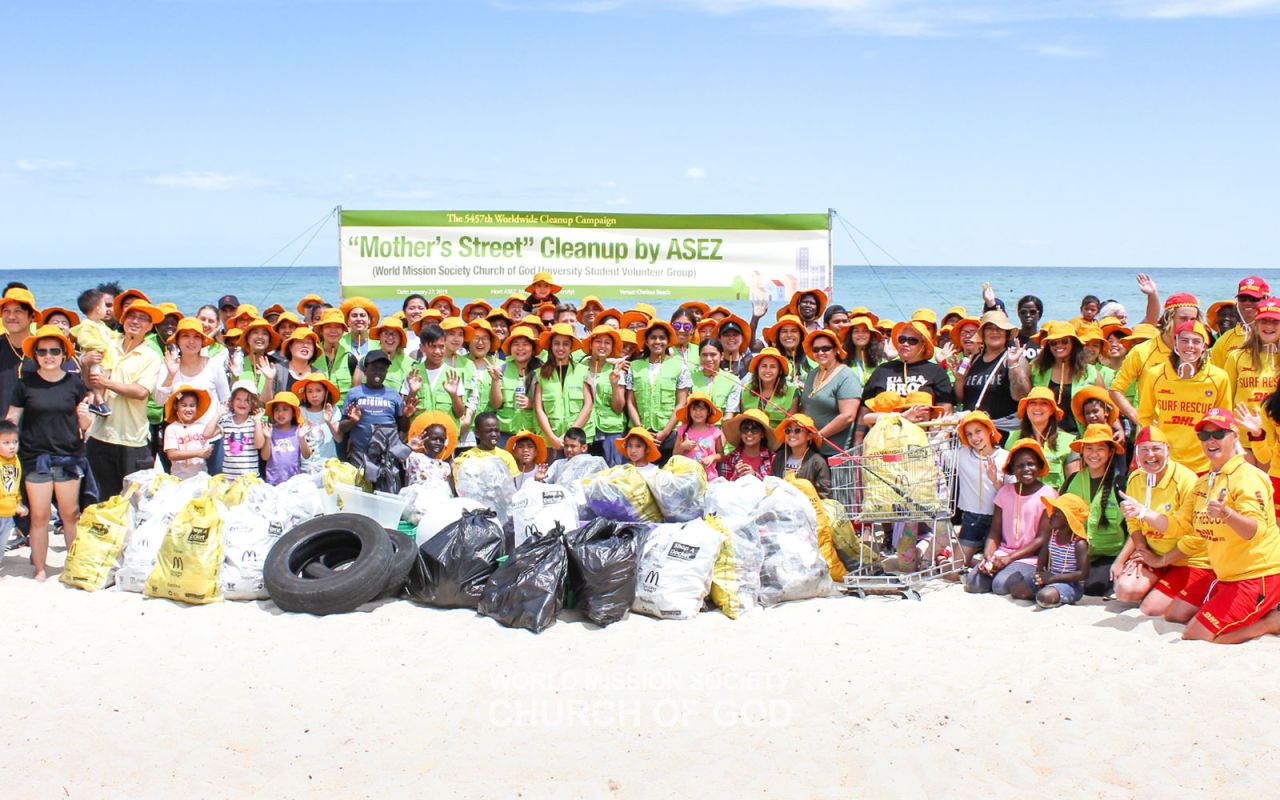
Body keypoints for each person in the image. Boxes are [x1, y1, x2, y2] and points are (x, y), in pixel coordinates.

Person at [1128, 409, 1280, 644]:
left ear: (1235, 437)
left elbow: (1255, 531)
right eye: (1204, 435)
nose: (1211, 440)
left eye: (1219, 434)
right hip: (1227, 575)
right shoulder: (1204, 481)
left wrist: (1227, 514)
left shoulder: (1248, 477)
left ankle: (1270, 622)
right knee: (1174, 617)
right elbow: (1180, 526)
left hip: (1257, 575)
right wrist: (1143, 513)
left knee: (1198, 636)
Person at [5, 325, 92, 580]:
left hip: (69, 457)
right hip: (35, 458)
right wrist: (7, 450)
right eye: (42, 351)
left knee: (70, 514)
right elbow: (12, 419)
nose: (48, 355)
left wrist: (86, 421)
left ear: (64, 354)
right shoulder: (25, 384)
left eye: (55, 350)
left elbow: (85, 425)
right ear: (35, 355)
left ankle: (74, 566)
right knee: (40, 515)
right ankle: (41, 569)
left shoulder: (74, 383)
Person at [1112, 426, 1205, 620]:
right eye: (1144, 449)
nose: (1150, 455)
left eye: (1156, 449)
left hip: (1187, 558)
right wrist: (1140, 550)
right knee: (1124, 591)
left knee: (1150, 609)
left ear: (1167, 451)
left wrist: (1161, 561)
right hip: (1154, 552)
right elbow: (1133, 522)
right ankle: (1161, 583)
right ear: (1136, 453)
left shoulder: (1186, 479)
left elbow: (1194, 535)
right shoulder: (1136, 477)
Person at [82, 301, 165, 499]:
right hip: (100, 436)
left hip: (133, 440)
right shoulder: (108, 345)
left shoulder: (151, 356)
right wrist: (85, 364)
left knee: (134, 501)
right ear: (123, 319)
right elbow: (88, 382)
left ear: (149, 326)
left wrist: (107, 383)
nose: (135, 321)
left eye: (143, 318)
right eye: (131, 316)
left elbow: (141, 391)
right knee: (104, 499)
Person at [1136, 320, 1230, 475]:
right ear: (1176, 343)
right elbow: (1144, 416)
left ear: (1204, 347)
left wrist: (1219, 458)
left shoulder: (1219, 377)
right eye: (1184, 340)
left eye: (1196, 341)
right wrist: (1152, 449)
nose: (1190, 346)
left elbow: (1224, 422)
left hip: (1203, 462)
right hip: (1166, 460)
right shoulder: (1155, 374)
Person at [965, 440, 1057, 598]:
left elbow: (1042, 539)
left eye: (1031, 464)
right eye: (1020, 466)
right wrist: (988, 556)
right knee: (974, 583)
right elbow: (995, 532)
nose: (1026, 469)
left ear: (1039, 466)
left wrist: (1009, 559)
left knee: (1000, 585)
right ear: (1013, 470)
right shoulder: (1005, 493)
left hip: (1030, 557)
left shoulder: (1047, 494)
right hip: (1003, 553)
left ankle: (1033, 580)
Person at [1110, 292, 1201, 426]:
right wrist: (1135, 416)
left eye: (1193, 319)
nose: (1188, 324)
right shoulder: (1142, 351)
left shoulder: (1197, 353)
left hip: (1189, 434)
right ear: (1168, 318)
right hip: (1152, 437)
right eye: (1183, 318)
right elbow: (1115, 389)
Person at [154, 317, 231, 475]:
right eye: (186, 336)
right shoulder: (168, 366)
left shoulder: (213, 366)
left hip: (211, 440)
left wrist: (219, 428)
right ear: (178, 340)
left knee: (214, 488)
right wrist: (170, 375)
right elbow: (159, 400)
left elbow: (226, 401)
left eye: (196, 337)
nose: (191, 341)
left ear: (203, 341)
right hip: (180, 442)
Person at [1059, 423, 1127, 595]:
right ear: (1082, 450)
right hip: (1077, 553)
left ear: (1110, 452)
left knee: (1093, 587)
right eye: (1089, 448)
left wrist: (1122, 560)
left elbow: (1132, 527)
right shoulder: (1073, 479)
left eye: (1100, 449)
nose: (1094, 454)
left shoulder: (1120, 483)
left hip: (1109, 554)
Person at [625, 320, 691, 459]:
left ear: (668, 342)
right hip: (640, 433)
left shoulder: (679, 366)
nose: (657, 341)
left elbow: (681, 402)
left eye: (662, 338)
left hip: (670, 433)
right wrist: (641, 429)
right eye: (653, 337)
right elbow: (630, 401)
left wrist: (665, 432)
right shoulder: (634, 366)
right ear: (647, 342)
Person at [953, 310, 1029, 429]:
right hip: (972, 430)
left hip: (1001, 429)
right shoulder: (973, 360)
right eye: (989, 328)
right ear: (982, 334)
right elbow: (961, 399)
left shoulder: (1015, 359)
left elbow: (1022, 396)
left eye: (1000, 328)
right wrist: (960, 380)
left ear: (1007, 334)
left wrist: (1014, 366)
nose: (995, 332)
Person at [955, 411, 1010, 565]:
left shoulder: (1005, 457)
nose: (974, 438)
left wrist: (996, 481)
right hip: (972, 518)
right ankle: (970, 561)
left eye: (978, 431)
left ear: (989, 430)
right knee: (953, 568)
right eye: (969, 434)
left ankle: (978, 561)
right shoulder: (962, 454)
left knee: (994, 563)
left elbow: (1012, 496)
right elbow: (937, 453)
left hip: (999, 520)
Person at [1031, 321, 1103, 435]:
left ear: (1073, 343)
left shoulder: (1090, 372)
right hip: (1047, 435)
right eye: (1054, 343)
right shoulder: (1037, 370)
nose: (1059, 346)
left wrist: (1117, 428)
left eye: (1064, 341)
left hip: (1080, 436)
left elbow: (1104, 405)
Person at [533, 323, 593, 456]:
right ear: (551, 346)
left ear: (571, 347)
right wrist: (553, 438)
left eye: (565, 344)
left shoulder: (582, 371)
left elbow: (588, 406)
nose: (561, 348)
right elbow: (539, 409)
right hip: (550, 441)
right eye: (557, 343)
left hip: (576, 441)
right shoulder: (540, 373)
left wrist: (568, 435)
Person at [339, 350, 412, 457]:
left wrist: (405, 416)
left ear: (386, 372)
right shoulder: (354, 393)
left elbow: (404, 428)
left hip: (387, 455)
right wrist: (353, 421)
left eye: (382, 369)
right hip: (360, 454)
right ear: (366, 370)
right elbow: (342, 428)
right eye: (373, 368)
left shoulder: (394, 395)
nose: (378, 372)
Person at [800, 329, 860, 457]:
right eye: (816, 349)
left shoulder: (847, 376)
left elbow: (848, 416)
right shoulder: (812, 374)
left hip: (836, 453)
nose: (820, 352)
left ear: (836, 350)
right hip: (811, 450)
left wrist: (819, 436)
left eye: (825, 348)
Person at [1007, 387, 1077, 490]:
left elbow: (1073, 483)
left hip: (1055, 503)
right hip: (1021, 503)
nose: (1037, 407)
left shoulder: (1068, 441)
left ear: (1052, 410)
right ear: (1026, 408)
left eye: (1044, 403)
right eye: (1033, 403)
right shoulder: (1012, 439)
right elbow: (1008, 478)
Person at [1033, 494, 1093, 609]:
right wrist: (1039, 575)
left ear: (1068, 519)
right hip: (1049, 577)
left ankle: (1057, 594)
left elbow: (1083, 573)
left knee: (1044, 596)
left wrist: (1054, 578)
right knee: (1018, 589)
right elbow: (1042, 559)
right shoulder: (1051, 535)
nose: (1051, 516)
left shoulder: (1079, 543)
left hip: (1070, 584)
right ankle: (1047, 590)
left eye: (1056, 513)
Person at [580, 325, 628, 465]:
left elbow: (619, 408)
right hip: (587, 430)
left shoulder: (616, 369)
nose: (602, 346)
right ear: (591, 344)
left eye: (607, 343)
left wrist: (614, 385)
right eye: (598, 342)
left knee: (614, 472)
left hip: (611, 431)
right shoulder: (580, 367)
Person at [457, 319, 504, 450]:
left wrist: (495, 380)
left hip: (491, 434)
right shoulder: (459, 363)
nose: (480, 342)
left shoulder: (500, 365)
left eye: (485, 338)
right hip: (465, 432)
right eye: (475, 337)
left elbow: (497, 404)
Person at [69, 287, 116, 416]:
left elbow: (112, 335)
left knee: (103, 379)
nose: (107, 309)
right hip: (95, 357)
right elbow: (84, 340)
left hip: (103, 358)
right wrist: (102, 345)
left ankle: (99, 403)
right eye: (105, 305)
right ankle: (99, 403)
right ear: (98, 309)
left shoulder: (100, 324)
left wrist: (121, 337)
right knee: (96, 379)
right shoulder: (87, 325)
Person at [1210, 276, 1270, 368]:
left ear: (1266, 299)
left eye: (1253, 298)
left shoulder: (1275, 336)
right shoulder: (1224, 340)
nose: (1247, 302)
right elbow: (1217, 378)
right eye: (1243, 298)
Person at [162, 386, 218, 479]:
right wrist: (198, 453)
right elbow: (172, 454)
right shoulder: (172, 428)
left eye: (192, 405)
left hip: (201, 479)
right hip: (179, 480)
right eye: (184, 405)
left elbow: (207, 449)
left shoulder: (202, 427)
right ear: (176, 406)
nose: (188, 409)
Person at [771, 413, 831, 498]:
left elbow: (824, 493)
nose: (792, 434)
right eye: (788, 431)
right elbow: (772, 483)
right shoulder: (780, 457)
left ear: (809, 436)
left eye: (797, 430)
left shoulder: (817, 461)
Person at [740, 347, 799, 427]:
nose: (768, 370)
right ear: (758, 368)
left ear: (780, 370)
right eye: (764, 366)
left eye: (773, 367)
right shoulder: (746, 390)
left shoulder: (792, 391)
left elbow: (791, 426)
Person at [294, 373, 341, 473]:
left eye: (318, 391)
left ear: (325, 392)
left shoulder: (333, 410)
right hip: (307, 465)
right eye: (309, 391)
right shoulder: (300, 411)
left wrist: (328, 421)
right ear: (305, 394)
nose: (314, 395)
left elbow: (339, 438)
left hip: (329, 464)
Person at [313, 308, 359, 407]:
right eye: (328, 326)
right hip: (315, 415)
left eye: (338, 327)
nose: (333, 331)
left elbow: (356, 392)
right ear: (321, 330)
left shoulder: (350, 358)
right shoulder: (312, 355)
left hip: (342, 417)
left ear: (343, 331)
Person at [261, 391, 309, 485]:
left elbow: (307, 455)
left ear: (294, 413)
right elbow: (265, 457)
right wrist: (267, 438)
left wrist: (301, 438)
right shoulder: (270, 430)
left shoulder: (298, 431)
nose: (280, 413)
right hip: (273, 481)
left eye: (285, 409)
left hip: (293, 482)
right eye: (277, 410)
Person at [690, 337, 743, 421]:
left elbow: (729, 414)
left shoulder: (733, 381)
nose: (708, 359)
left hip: (720, 430)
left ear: (721, 356)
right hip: (695, 429)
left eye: (713, 355)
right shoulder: (690, 378)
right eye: (704, 355)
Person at [674, 393, 724, 480]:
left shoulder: (715, 431)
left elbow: (721, 454)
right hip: (686, 477)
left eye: (702, 409)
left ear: (708, 411)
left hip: (709, 479)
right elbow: (674, 454)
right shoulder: (682, 430)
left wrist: (712, 457)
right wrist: (683, 446)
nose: (698, 412)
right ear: (689, 411)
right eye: (694, 409)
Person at [406, 410, 458, 491]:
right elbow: (396, 456)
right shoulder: (413, 457)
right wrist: (408, 447)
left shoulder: (446, 466)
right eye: (434, 439)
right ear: (424, 438)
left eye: (441, 440)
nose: (438, 443)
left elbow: (451, 491)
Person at [719, 408, 777, 481]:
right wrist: (736, 475)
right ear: (740, 432)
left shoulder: (772, 458)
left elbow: (773, 486)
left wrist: (754, 475)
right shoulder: (730, 458)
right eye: (745, 429)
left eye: (754, 429)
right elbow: (725, 487)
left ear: (762, 434)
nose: (749, 433)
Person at [454, 412, 519, 476]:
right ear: (477, 433)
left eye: (496, 430)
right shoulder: (467, 457)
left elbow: (513, 483)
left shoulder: (506, 456)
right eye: (488, 431)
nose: (494, 434)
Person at [0, 420, 26, 562]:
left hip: (7, 513)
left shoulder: (15, 460)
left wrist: (19, 503)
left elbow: (15, 485)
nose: (12, 446)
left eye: (15, 442)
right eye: (6, 442)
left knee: (2, 543)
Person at [840, 315, 885, 387]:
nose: (860, 334)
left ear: (871, 334)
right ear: (850, 335)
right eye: (856, 331)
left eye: (865, 331)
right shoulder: (841, 362)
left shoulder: (881, 361)